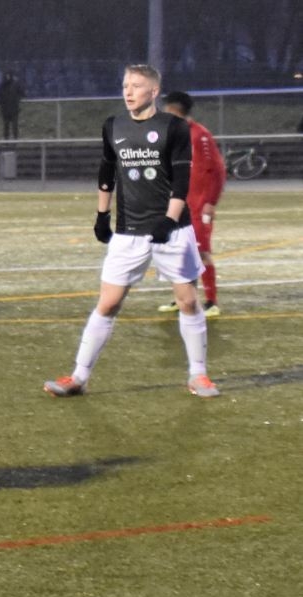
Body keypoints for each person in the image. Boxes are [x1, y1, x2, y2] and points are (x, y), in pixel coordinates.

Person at [43, 65, 218, 400]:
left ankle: (198, 375)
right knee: (108, 303)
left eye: (136, 85)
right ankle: (78, 377)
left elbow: (181, 179)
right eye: (125, 85)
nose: (128, 91)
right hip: (128, 231)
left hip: (173, 230)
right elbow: (107, 170)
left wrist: (169, 220)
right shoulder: (113, 126)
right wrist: (102, 214)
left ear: (154, 92)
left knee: (188, 301)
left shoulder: (175, 127)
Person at [157, 91, 223, 317]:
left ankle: (211, 301)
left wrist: (210, 202)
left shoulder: (200, 135)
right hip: (178, 206)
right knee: (178, 252)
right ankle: (183, 297)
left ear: (175, 111)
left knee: (201, 252)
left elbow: (217, 170)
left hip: (198, 206)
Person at [0, 72, 25, 140]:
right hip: (6, 109)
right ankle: (7, 140)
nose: (8, 77)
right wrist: (2, 102)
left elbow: (22, 93)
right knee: (6, 126)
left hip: (13, 109)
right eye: (7, 75)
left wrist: (17, 99)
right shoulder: (2, 86)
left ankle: (14, 140)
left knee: (14, 126)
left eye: (9, 75)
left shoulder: (15, 85)